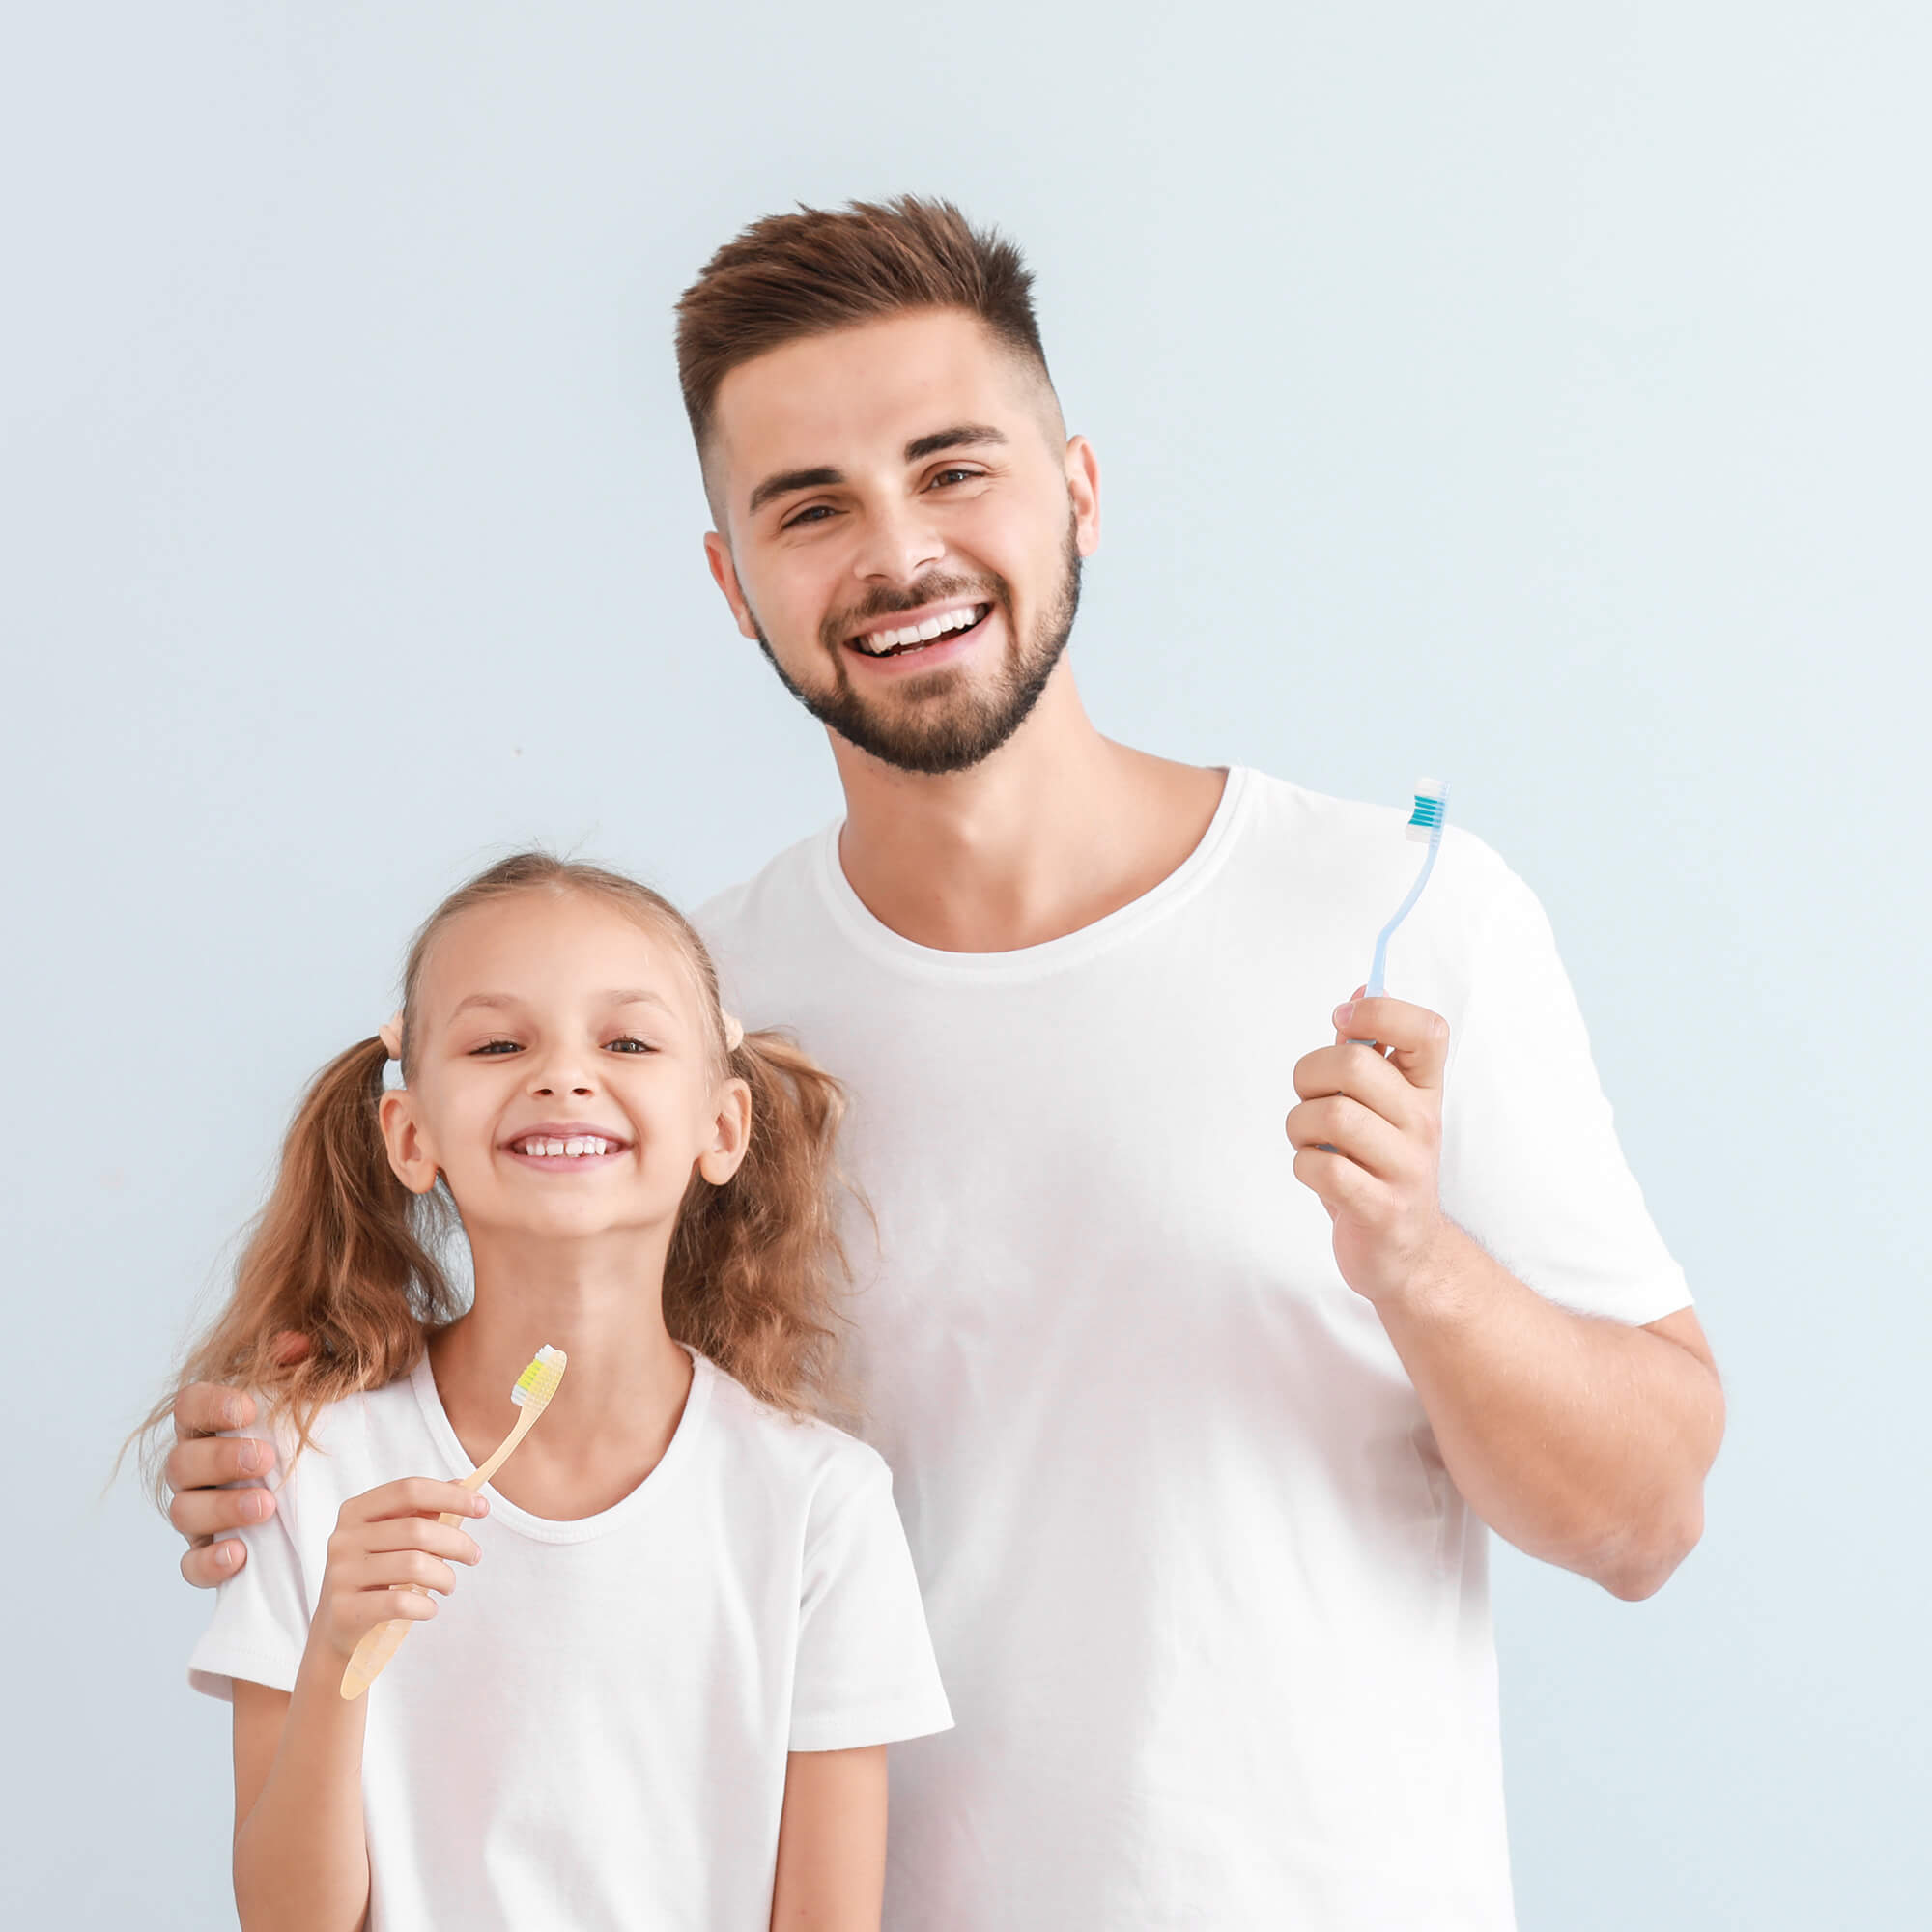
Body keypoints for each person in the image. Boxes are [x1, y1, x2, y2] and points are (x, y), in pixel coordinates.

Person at [164, 199, 1725, 1929]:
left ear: (1079, 489)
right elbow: (533, 1430)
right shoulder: (675, 1024)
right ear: (731, 584)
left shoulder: (1394, 918)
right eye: (810, 508)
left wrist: (1420, 1267)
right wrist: (289, 1456)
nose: (898, 552)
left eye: (954, 469)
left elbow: (1646, 1518)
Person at [152, 852, 952, 1932]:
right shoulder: (310, 1470)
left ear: (722, 1126)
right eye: (496, 1043)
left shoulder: (818, 1503)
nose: (563, 1075)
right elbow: (288, 1920)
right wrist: (341, 1651)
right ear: (410, 1133)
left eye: (624, 1040)